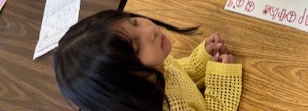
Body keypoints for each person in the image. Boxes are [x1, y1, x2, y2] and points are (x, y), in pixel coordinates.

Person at [54, 10, 242, 111]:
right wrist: (221, 84)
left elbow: (175, 73)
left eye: (133, 22)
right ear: (125, 88)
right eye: (136, 47)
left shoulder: (152, 67)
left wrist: (198, 62)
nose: (149, 31)